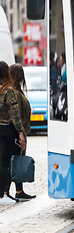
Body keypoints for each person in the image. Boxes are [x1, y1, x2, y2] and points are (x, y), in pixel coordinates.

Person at [5, 64, 35, 201]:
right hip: (17, 132)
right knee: (13, 161)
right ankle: (6, 191)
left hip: (19, 131)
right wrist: (20, 134)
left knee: (16, 161)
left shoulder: (16, 91)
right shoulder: (15, 93)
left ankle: (18, 190)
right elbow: (14, 114)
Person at [0, 61, 25, 205]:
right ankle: (2, 195)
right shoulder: (8, 91)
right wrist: (21, 134)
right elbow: (15, 115)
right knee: (4, 163)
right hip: (6, 130)